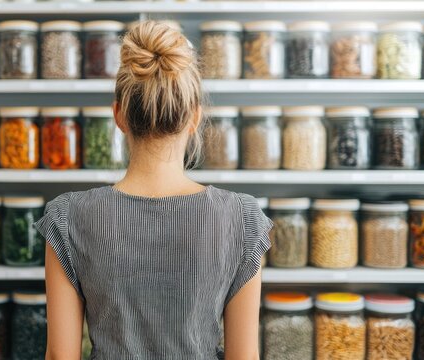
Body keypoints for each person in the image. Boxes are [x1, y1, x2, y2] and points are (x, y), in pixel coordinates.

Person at [37, 20, 272, 360]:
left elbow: (61, 356)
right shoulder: (242, 218)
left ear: (118, 116)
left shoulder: (67, 217)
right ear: (194, 119)